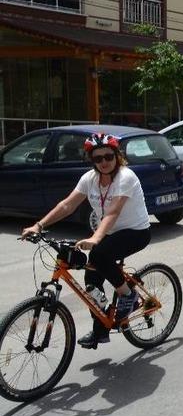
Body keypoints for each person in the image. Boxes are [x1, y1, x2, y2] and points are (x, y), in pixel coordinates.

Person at [21, 133, 151, 349]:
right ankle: (100, 331)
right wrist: (39, 225)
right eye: (97, 159)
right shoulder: (89, 179)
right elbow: (67, 206)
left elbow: (113, 213)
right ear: (92, 161)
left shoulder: (126, 177)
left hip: (135, 232)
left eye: (108, 156)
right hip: (108, 233)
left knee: (99, 255)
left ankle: (129, 296)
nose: (104, 162)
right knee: (91, 282)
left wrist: (95, 238)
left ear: (117, 156)